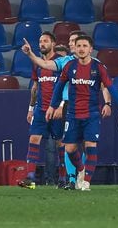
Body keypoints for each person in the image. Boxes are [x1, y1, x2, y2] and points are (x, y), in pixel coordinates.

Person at [22, 31, 112, 190]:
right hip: (53, 108)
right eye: (72, 42)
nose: (72, 44)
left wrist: (108, 103)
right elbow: (41, 82)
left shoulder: (90, 64)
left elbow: (105, 85)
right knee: (61, 144)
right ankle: (41, 178)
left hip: (74, 108)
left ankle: (74, 178)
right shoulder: (65, 62)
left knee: (76, 144)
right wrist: (30, 54)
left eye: (75, 42)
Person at [45, 35, 118, 191]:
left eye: (84, 46)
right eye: (78, 45)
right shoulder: (70, 66)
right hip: (72, 114)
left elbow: (110, 88)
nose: (81, 48)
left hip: (91, 114)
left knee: (90, 146)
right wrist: (52, 106)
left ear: (90, 49)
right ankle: (80, 169)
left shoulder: (98, 67)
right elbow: (59, 86)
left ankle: (86, 182)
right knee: (70, 149)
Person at [19, 32, 66, 189]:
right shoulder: (37, 64)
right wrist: (31, 109)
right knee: (33, 139)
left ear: (53, 43)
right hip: (40, 109)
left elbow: (67, 86)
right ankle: (30, 178)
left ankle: (63, 178)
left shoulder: (60, 62)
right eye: (40, 41)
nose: (42, 44)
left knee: (60, 144)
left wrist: (61, 106)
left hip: (57, 110)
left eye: (45, 41)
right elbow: (35, 87)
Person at [43, 44, 70, 186]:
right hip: (46, 110)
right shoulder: (46, 70)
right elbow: (37, 88)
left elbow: (65, 90)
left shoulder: (69, 71)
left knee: (64, 145)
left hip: (64, 109)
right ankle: (50, 178)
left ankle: (66, 177)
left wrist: (59, 106)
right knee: (49, 146)